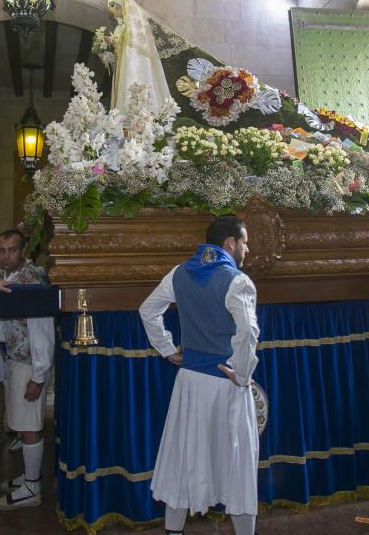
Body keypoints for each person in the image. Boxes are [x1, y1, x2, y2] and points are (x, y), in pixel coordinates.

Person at [138, 215, 260, 535]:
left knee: (182, 458)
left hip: (189, 382)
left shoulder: (179, 273)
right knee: (237, 464)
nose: (247, 249)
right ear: (230, 243)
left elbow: (148, 310)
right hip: (226, 383)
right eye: (245, 242)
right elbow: (248, 333)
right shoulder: (237, 281)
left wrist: (167, 349)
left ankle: (173, 532)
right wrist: (244, 375)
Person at [0, 229, 52, 509]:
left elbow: (42, 330)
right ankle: (28, 475)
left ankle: (32, 486)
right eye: (2, 250)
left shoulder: (30, 281)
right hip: (13, 359)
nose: (5, 256)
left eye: (11, 250)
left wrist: (38, 377)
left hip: (29, 364)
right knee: (20, 422)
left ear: (23, 251)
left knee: (30, 426)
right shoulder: (3, 276)